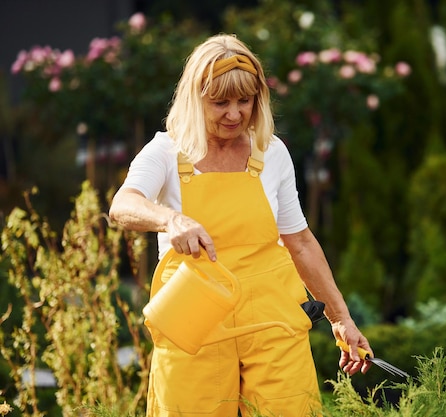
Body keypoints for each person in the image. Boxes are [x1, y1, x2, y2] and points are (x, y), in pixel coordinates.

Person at [109, 33, 373, 417]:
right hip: (193, 318)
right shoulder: (166, 152)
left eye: (244, 101)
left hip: (271, 316)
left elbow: (298, 241)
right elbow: (123, 205)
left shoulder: (272, 152)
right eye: (220, 103)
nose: (234, 114)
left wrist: (341, 319)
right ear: (195, 99)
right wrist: (170, 219)